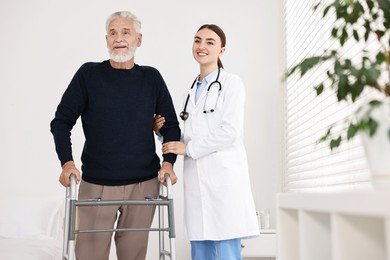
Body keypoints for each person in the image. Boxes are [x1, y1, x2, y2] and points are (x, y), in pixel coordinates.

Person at [50, 11, 181, 260]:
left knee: (133, 256)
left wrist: (168, 164)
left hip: (143, 185)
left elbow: (171, 126)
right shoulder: (88, 75)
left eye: (125, 32)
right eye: (112, 33)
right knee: (89, 256)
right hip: (97, 185)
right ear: (106, 40)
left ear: (139, 40)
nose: (118, 38)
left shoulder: (151, 78)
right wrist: (67, 163)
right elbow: (61, 121)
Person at [154, 24, 259, 260]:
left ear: (222, 50)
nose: (202, 46)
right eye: (197, 40)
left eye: (210, 42)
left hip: (224, 179)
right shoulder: (191, 91)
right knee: (200, 251)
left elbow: (230, 131)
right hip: (197, 182)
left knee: (226, 251)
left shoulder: (231, 83)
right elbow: (192, 135)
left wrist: (188, 148)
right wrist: (164, 134)